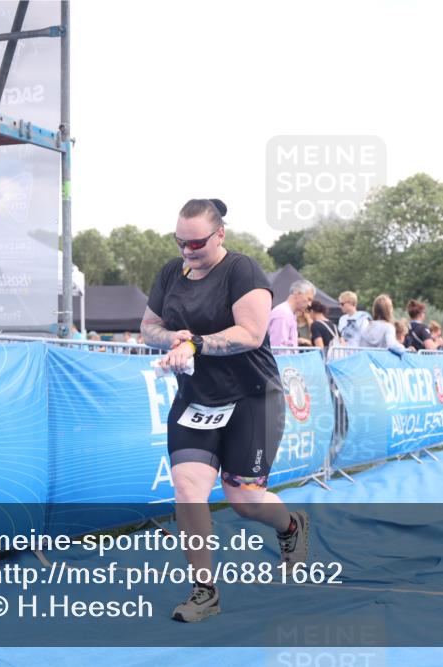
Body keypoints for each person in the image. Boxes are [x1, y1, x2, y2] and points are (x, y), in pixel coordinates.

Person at [141, 198, 309, 623]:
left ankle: (291, 526)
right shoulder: (169, 274)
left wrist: (195, 342)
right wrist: (171, 341)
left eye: (196, 242)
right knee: (187, 489)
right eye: (180, 242)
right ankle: (204, 591)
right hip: (196, 400)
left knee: (244, 501)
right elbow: (148, 328)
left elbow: (251, 334)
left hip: (251, 397)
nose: (187, 251)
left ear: (220, 235)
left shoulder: (242, 271)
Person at [268, 279, 315, 348]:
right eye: (308, 299)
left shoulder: (288, 313)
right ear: (298, 293)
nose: (309, 304)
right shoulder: (283, 313)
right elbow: (278, 348)